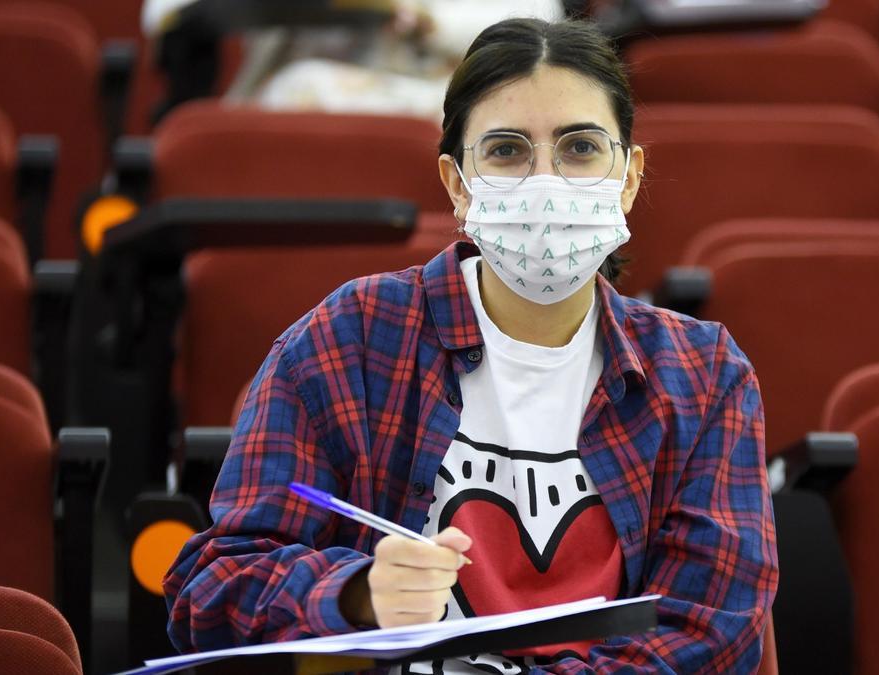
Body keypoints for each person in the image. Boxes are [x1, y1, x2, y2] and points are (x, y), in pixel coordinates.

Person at [164, 17, 778, 673]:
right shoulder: (351, 336)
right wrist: (354, 592)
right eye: (508, 151)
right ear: (458, 184)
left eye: (580, 149)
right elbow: (210, 588)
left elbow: (714, 627)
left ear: (628, 177)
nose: (547, 182)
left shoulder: (705, 374)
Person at [141, 0, 564, 120]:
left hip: (422, 105)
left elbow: (541, 28)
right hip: (270, 105)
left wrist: (425, 19)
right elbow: (163, 13)